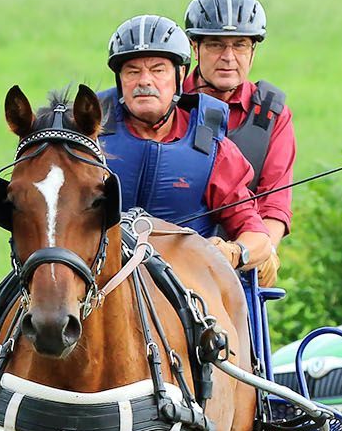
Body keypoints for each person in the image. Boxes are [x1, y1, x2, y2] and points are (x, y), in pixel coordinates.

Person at [98, 14, 273, 276]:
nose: (145, 81)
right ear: (119, 80)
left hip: (187, 290)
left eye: (158, 70)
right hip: (102, 284)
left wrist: (233, 252)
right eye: (132, 71)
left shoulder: (212, 146)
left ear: (180, 75)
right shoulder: (90, 138)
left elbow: (256, 235)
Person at [183, 0, 294, 286]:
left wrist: (260, 251)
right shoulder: (169, 103)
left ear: (253, 50)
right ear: (195, 48)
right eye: (216, 45)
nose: (228, 58)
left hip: (238, 268)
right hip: (169, 261)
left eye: (240, 45)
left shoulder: (272, 114)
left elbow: (274, 203)